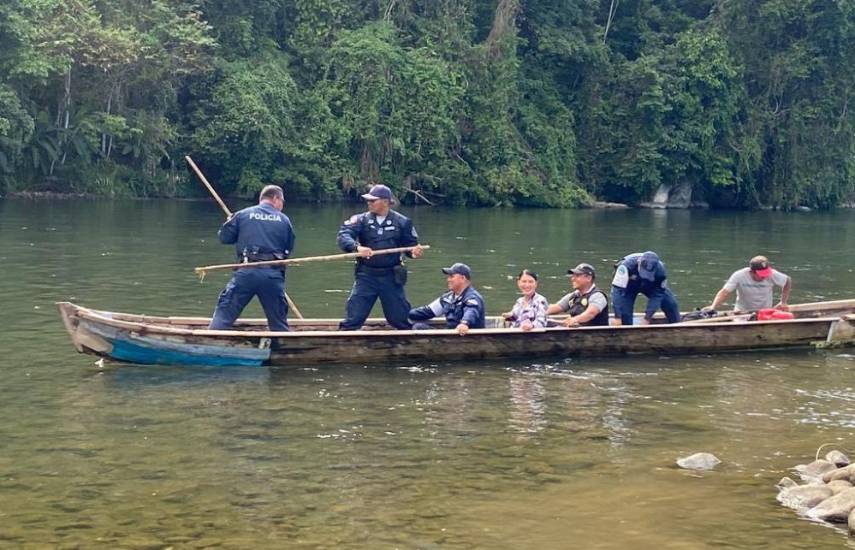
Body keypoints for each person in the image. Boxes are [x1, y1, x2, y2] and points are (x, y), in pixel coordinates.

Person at [209, 185, 295, 331]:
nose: (282, 205)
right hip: (272, 276)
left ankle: (210, 340)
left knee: (224, 314)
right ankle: (282, 347)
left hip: (246, 272)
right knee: (279, 322)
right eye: (282, 201)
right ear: (275, 198)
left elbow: (224, 238)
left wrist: (229, 223)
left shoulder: (242, 215)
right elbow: (288, 248)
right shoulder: (284, 220)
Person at [337, 184, 423, 330]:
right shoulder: (360, 220)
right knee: (354, 317)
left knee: (399, 318)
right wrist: (357, 247)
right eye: (368, 201)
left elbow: (410, 246)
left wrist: (414, 253)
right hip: (366, 275)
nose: (369, 203)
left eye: (373, 201)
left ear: (385, 201)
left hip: (391, 276)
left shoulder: (403, 222)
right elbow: (343, 236)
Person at [409, 263, 486, 335]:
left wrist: (464, 323)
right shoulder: (447, 298)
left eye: (452, 277)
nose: (448, 280)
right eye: (448, 277)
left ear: (463, 278)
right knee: (419, 326)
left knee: (418, 327)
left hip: (465, 336)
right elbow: (426, 312)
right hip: (451, 335)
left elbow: (471, 311)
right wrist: (403, 313)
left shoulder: (472, 298)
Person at [611, 251, 680, 325]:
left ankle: (677, 327)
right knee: (624, 314)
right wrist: (618, 316)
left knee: (671, 304)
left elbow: (658, 295)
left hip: (651, 285)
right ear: (639, 262)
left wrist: (647, 317)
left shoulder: (661, 272)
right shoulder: (625, 266)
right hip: (628, 286)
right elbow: (617, 291)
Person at [706, 255, 791, 313]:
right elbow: (724, 292)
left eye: (766, 274)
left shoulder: (772, 274)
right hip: (742, 311)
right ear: (752, 272)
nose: (764, 277)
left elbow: (787, 281)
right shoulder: (739, 275)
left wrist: (783, 302)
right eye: (761, 275)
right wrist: (713, 307)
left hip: (764, 312)